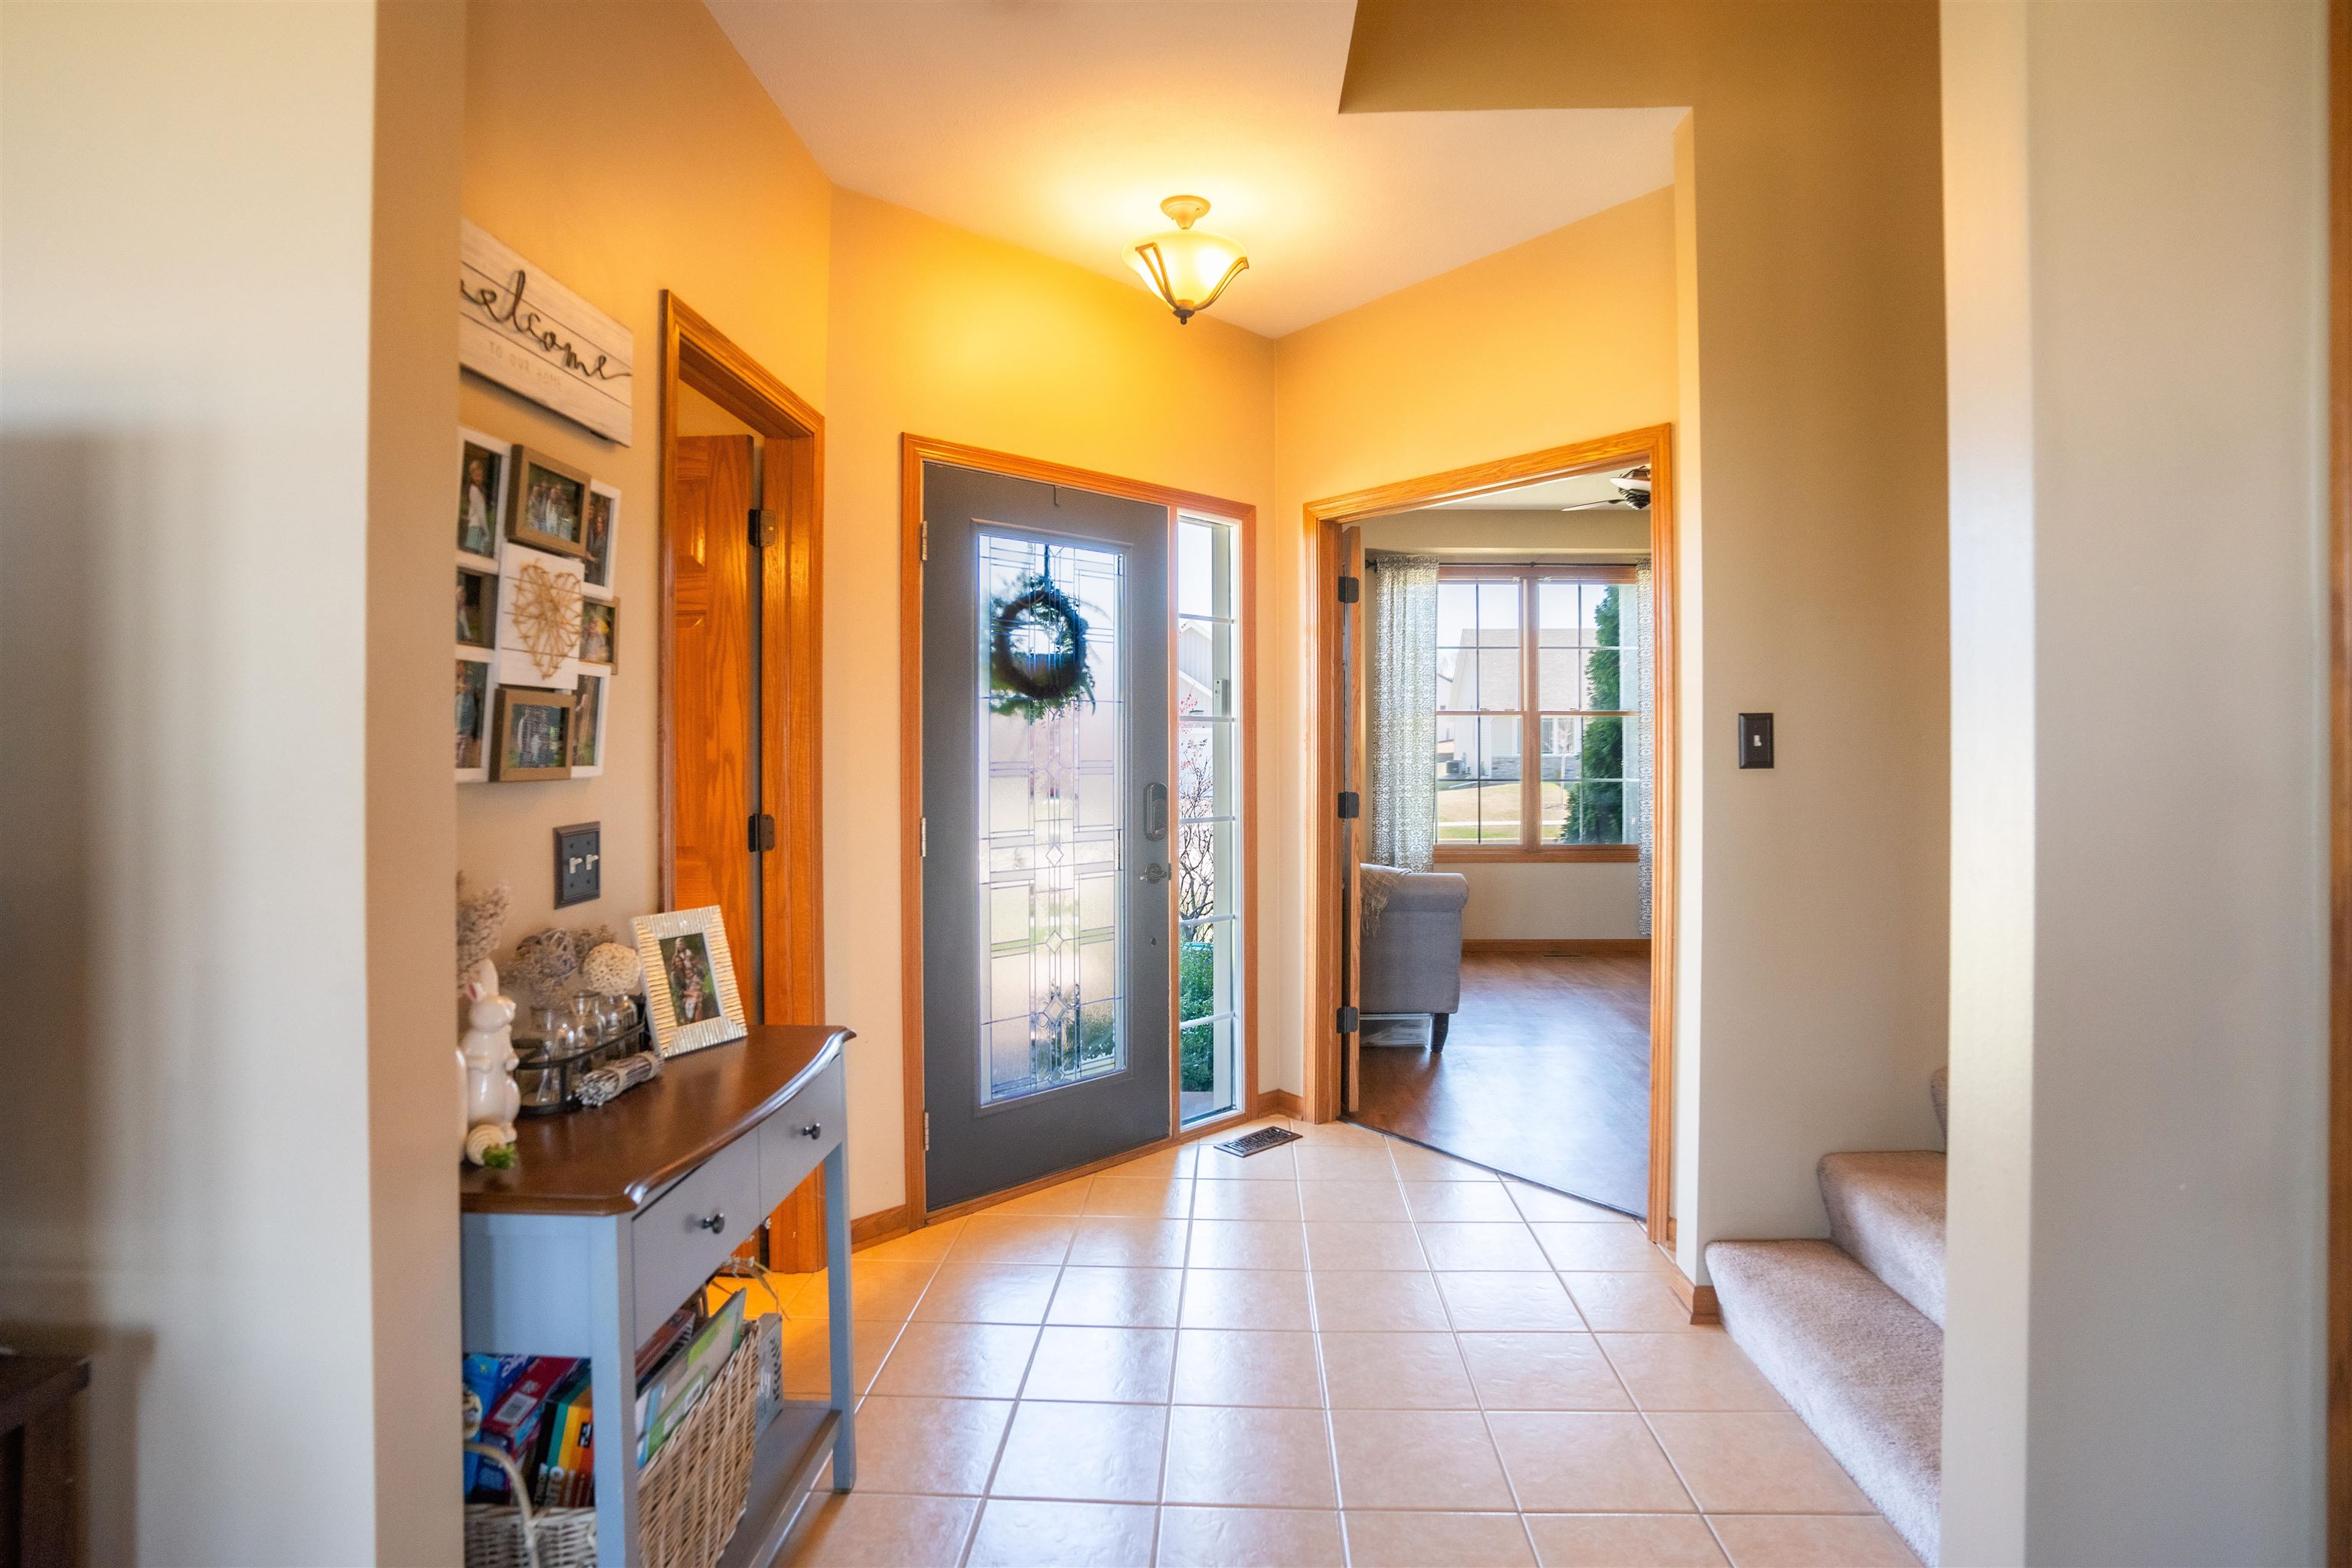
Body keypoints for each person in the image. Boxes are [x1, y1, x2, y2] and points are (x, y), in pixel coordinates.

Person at [459, 450, 495, 555]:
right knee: (474, 556)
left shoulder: (478, 490)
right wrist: (487, 532)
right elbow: (480, 514)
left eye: (481, 475)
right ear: (472, 475)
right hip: (476, 528)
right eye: (477, 475)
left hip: (476, 528)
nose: (479, 478)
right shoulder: (474, 491)